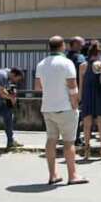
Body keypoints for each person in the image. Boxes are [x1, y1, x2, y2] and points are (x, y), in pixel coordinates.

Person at [35, 35, 86, 185]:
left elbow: (38, 87)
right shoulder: (67, 63)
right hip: (65, 107)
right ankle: (73, 175)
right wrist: (75, 104)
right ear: (62, 46)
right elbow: (72, 87)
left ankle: (53, 175)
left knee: (51, 140)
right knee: (69, 142)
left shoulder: (41, 64)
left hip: (47, 107)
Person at [78, 40, 101, 160]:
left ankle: (87, 150)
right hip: (100, 95)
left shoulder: (82, 66)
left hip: (87, 96)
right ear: (99, 53)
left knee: (87, 125)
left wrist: (80, 99)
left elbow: (81, 84)